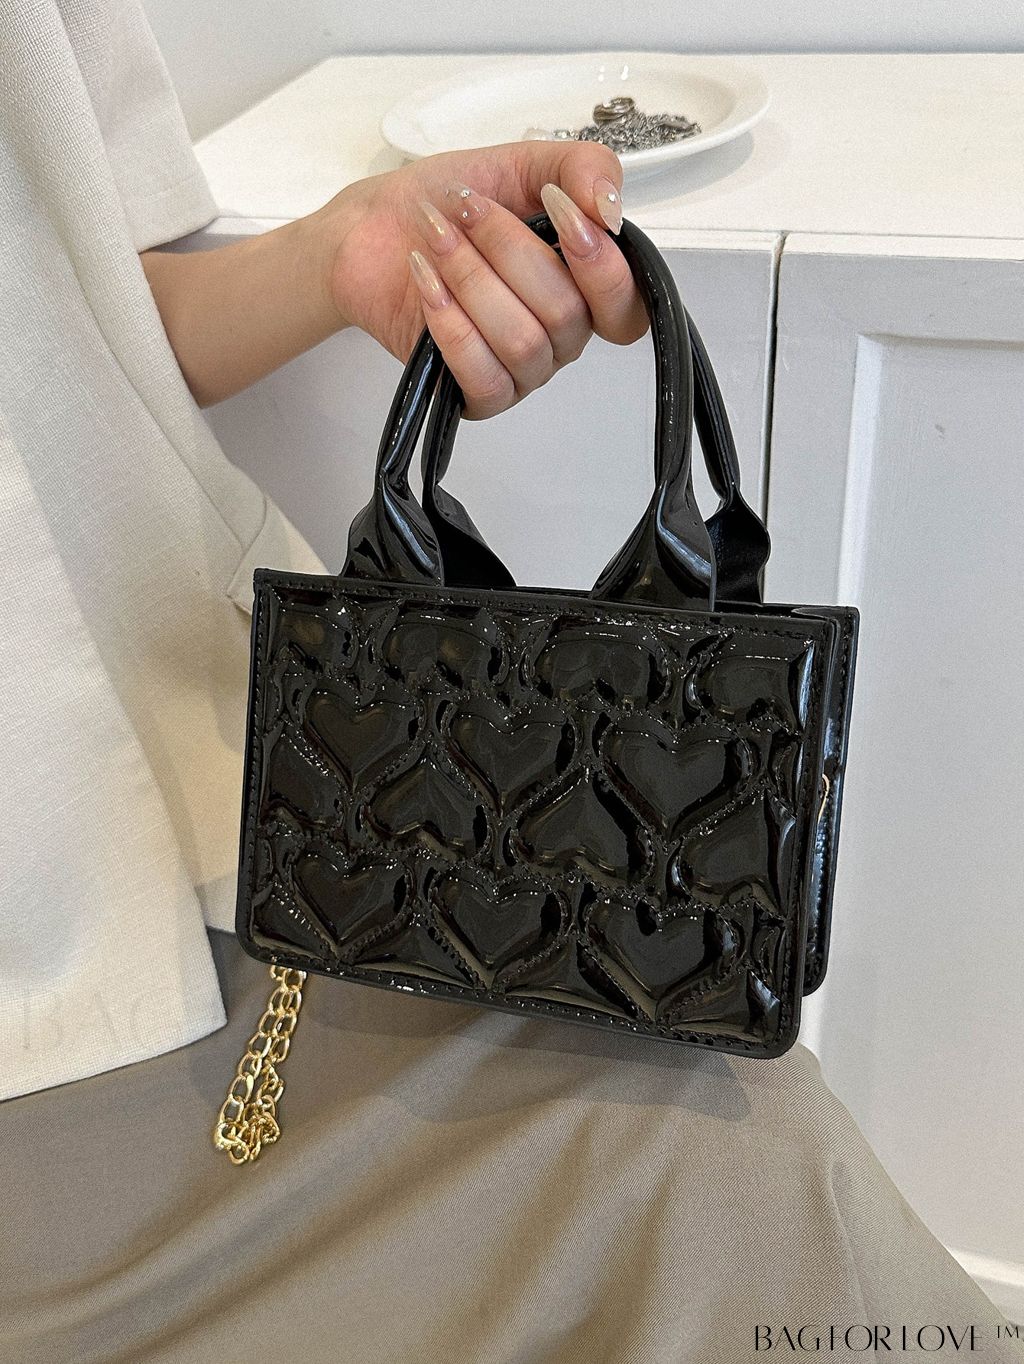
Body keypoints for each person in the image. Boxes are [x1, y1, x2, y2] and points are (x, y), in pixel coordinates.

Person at [1, 3, 1020, 1361]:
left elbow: (94, 309)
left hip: (210, 798)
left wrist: (355, 246)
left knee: (772, 1165)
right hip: (62, 999)